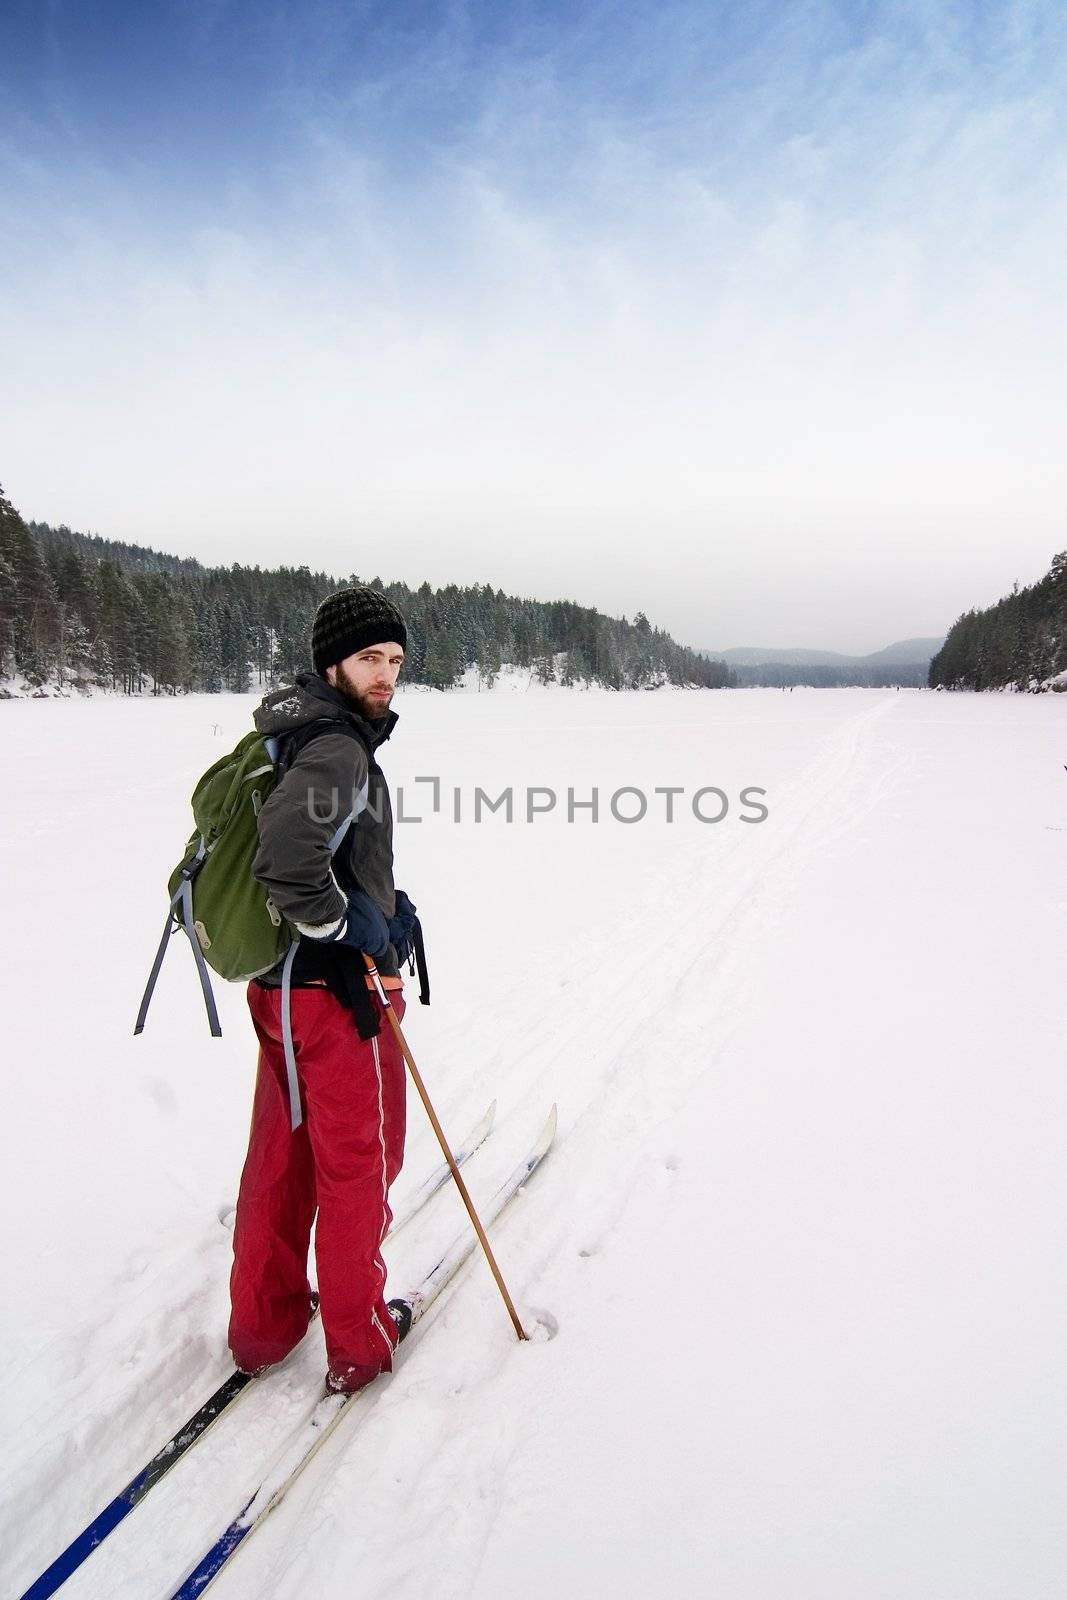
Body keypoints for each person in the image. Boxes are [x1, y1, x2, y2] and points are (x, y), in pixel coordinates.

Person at [227, 586, 421, 1395]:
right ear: (330, 662)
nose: (385, 676)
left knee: (280, 1160)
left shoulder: (291, 729)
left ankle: (263, 1329)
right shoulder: (338, 746)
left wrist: (383, 905)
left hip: (278, 993)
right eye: (370, 658)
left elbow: (322, 856)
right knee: (357, 1165)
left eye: (396, 662)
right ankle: (359, 1341)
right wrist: (355, 931)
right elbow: (287, 863)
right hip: (332, 999)